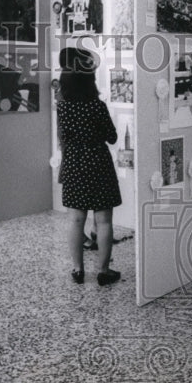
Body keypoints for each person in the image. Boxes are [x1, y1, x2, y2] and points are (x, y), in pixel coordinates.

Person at [56, 47, 122, 286]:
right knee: (103, 220)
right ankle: (104, 271)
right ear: (89, 80)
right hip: (98, 164)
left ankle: (77, 270)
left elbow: (64, 137)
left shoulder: (63, 107)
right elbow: (112, 137)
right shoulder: (96, 106)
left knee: (75, 220)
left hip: (74, 164)